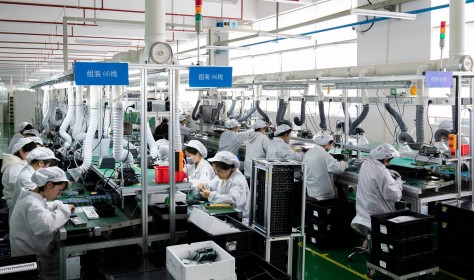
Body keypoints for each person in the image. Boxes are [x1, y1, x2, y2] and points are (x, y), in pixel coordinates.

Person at [10, 167, 74, 280]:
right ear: (49, 185)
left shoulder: (31, 196)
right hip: (34, 261)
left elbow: (43, 207)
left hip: (29, 251)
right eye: (59, 190)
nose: (59, 194)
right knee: (68, 269)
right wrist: (66, 210)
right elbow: (47, 225)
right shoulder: (31, 203)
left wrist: (56, 204)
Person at [351, 143, 403, 248]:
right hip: (377, 214)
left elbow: (375, 171)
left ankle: (365, 247)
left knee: (372, 229)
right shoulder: (383, 173)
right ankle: (382, 250)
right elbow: (394, 196)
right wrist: (399, 182)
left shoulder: (366, 164)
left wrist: (388, 171)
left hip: (363, 211)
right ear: (386, 159)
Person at [197, 151, 250, 224]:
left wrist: (211, 195)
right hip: (224, 214)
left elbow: (233, 201)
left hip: (237, 220)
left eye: (219, 171)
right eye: (215, 170)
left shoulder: (238, 181)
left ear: (230, 169)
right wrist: (204, 185)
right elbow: (212, 185)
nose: (216, 173)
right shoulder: (222, 176)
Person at [10, 147, 59, 218]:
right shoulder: (27, 177)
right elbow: (41, 198)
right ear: (41, 163)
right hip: (22, 220)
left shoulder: (30, 171)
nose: (48, 169)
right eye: (48, 166)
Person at [303, 135, 349, 200]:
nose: (331, 147)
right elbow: (338, 168)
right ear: (327, 144)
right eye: (331, 145)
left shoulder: (308, 153)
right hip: (323, 195)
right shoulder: (324, 154)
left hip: (311, 192)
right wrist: (345, 163)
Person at [2, 138, 37, 211]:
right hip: (16, 205)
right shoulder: (14, 166)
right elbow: (20, 186)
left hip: (21, 202)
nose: (32, 156)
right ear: (21, 151)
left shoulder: (21, 163)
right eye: (30, 152)